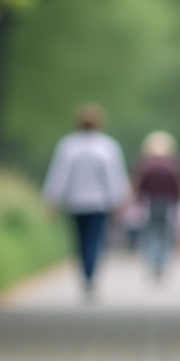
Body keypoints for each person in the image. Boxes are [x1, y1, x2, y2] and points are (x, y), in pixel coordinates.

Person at [42, 104, 130, 298]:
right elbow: (114, 176)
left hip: (75, 202)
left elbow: (59, 175)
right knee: (94, 240)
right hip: (99, 202)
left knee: (80, 241)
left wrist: (52, 200)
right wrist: (120, 200)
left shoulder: (68, 145)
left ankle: (86, 273)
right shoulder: (108, 146)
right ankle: (90, 275)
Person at [133, 131, 180, 279]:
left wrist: (138, 200)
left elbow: (140, 186)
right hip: (167, 203)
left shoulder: (144, 165)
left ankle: (153, 261)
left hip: (150, 203)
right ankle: (161, 262)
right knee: (165, 233)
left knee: (151, 233)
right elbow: (176, 186)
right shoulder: (173, 165)